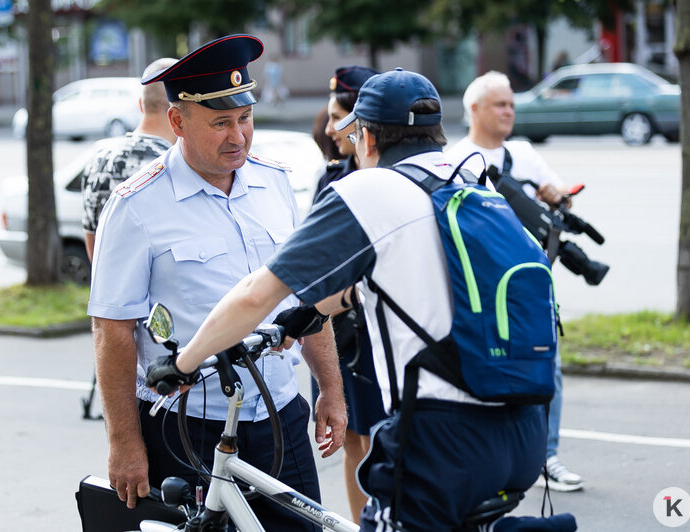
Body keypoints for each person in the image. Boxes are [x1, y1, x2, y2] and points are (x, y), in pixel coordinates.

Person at [147, 68, 549, 531]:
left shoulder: (370, 189)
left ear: (368, 137)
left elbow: (257, 294)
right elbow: (391, 283)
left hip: (444, 438)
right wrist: (305, 316)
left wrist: (183, 365)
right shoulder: (473, 179)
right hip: (522, 427)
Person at [87, 34, 346, 531]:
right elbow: (112, 330)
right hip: (186, 426)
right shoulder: (137, 205)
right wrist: (123, 442)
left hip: (279, 415)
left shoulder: (274, 184)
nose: (238, 136)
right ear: (178, 121)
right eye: (221, 122)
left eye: (244, 118)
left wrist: (329, 388)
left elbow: (307, 297)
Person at [446, 70, 584, 492]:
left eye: (511, 104)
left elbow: (558, 191)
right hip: (480, 285)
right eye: (500, 104)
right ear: (474, 109)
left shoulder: (523, 153)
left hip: (530, 283)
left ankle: (547, 456)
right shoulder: (454, 158)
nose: (509, 112)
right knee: (485, 365)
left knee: (546, 363)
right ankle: (494, 456)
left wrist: (558, 196)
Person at [310, 65, 387, 523]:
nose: (329, 125)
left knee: (384, 442)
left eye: (339, 115)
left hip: (379, 331)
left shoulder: (392, 179)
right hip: (337, 331)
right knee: (352, 440)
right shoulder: (332, 177)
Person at [82, 57, 178, 262]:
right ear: (179, 111)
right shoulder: (174, 165)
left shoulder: (98, 159)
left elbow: (93, 247)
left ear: (140, 104)